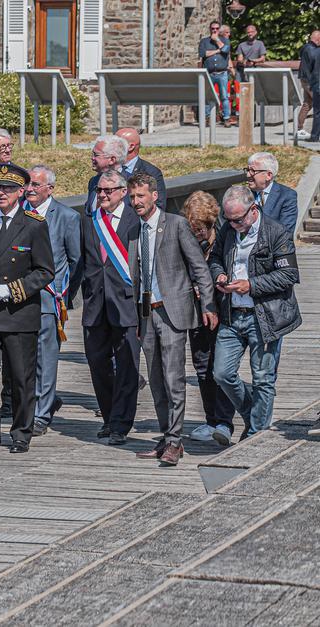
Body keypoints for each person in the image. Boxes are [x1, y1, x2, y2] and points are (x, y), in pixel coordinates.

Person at [126, 173, 217, 466]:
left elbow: (199, 268)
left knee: (173, 377)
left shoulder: (176, 225)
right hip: (147, 312)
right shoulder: (134, 230)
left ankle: (176, 442)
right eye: (132, 197)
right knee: (155, 379)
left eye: (141, 196)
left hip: (172, 311)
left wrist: (208, 304)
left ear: (155, 196)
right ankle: (166, 437)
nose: (136, 202)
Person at [0, 164, 54, 454]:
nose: (1, 193)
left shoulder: (34, 224)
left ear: (20, 193)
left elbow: (44, 271)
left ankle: (21, 432)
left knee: (20, 376)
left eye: (8, 189)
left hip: (18, 311)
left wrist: (14, 290)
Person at [210, 185, 301, 437]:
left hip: (265, 316)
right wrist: (218, 274)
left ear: (253, 209)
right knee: (222, 373)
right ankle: (253, 415)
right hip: (232, 313)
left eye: (238, 219)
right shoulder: (229, 229)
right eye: (228, 219)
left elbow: (288, 275)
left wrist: (251, 285)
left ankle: (255, 436)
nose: (233, 224)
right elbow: (215, 257)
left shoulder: (276, 232)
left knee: (263, 378)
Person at [72, 169, 140, 445]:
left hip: (126, 303)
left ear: (123, 192)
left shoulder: (135, 220)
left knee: (126, 365)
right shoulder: (90, 220)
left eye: (108, 190)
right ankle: (110, 417)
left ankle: (121, 424)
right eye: (99, 190)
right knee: (97, 362)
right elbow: (82, 261)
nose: (102, 195)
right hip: (95, 303)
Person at [25, 165, 80, 437]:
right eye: (28, 183)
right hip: (19, 297)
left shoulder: (67, 217)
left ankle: (41, 414)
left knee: (45, 360)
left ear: (50, 188)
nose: (30, 188)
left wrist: (63, 294)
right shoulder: (19, 213)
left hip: (48, 298)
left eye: (36, 184)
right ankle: (32, 404)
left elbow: (75, 259)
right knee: (23, 359)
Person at [183, 192, 237, 446]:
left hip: (222, 311)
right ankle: (211, 419)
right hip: (195, 313)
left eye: (201, 228)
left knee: (221, 369)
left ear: (212, 223)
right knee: (202, 367)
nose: (197, 234)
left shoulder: (225, 239)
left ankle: (225, 422)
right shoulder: (186, 238)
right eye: (193, 228)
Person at [245, 152, 298, 234]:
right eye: (247, 170)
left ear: (268, 175)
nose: (248, 175)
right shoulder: (244, 194)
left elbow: (285, 232)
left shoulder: (287, 196)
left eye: (252, 171)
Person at [115, 127, 167, 211]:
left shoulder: (151, 172)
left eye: (116, 143)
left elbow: (159, 206)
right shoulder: (109, 169)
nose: (111, 146)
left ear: (130, 147)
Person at [199, 21, 233, 126]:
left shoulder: (225, 40)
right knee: (207, 96)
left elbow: (226, 50)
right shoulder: (204, 41)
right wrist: (219, 51)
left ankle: (226, 118)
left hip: (222, 73)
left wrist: (217, 40)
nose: (214, 30)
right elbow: (203, 53)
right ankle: (208, 118)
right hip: (209, 73)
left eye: (217, 28)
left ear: (219, 30)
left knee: (224, 97)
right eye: (213, 28)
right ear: (210, 29)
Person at [85, 135, 129, 213]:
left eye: (96, 155)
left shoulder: (131, 184)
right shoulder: (94, 182)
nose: (92, 158)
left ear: (112, 159)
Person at [296, 31, 320, 140]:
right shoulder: (312, 49)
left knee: (307, 104)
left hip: (304, 79)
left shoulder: (306, 47)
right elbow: (314, 66)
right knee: (317, 105)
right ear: (317, 39)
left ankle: (299, 129)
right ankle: (313, 133)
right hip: (310, 81)